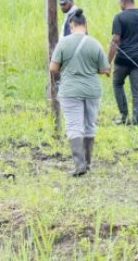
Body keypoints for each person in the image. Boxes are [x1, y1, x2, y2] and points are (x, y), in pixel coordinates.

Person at [50, 9, 111, 176]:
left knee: (74, 126)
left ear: (71, 25)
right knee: (89, 126)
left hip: (70, 90)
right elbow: (105, 69)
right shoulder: (95, 43)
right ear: (85, 25)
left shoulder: (63, 43)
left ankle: (79, 165)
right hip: (92, 90)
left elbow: (53, 67)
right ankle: (88, 162)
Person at [108, 0, 138, 125]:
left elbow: (115, 40)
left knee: (117, 84)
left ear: (123, 2)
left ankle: (123, 115)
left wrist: (107, 62)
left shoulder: (119, 17)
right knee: (137, 91)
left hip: (122, 60)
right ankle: (136, 119)